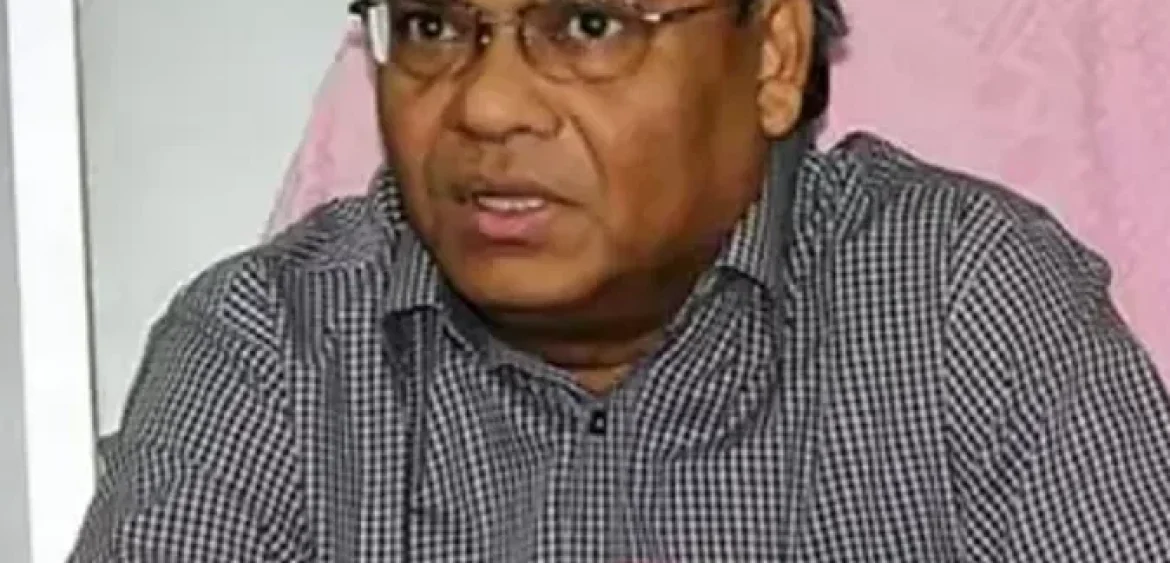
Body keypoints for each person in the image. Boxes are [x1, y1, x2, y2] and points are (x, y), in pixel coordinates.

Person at [71, 0, 1170, 560]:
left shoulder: (965, 306)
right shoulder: (271, 347)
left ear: (773, 55)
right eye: (435, 25)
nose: (488, 105)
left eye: (588, 25)